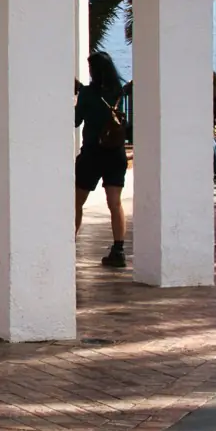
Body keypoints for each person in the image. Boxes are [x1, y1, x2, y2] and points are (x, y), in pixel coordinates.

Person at [75, 49, 129, 268]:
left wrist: (78, 97)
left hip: (92, 154)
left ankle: (67, 243)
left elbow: (76, 120)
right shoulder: (118, 91)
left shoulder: (88, 94)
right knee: (115, 204)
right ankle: (119, 249)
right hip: (116, 154)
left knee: (76, 202)